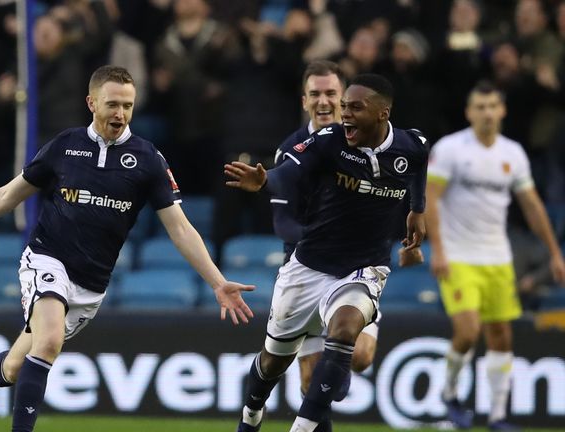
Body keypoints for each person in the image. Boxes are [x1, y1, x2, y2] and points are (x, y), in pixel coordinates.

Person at [0, 65, 254, 432]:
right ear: (91, 103)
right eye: (112, 104)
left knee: (14, 368)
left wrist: (217, 282)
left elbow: (180, 229)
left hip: (90, 284)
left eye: (128, 106)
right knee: (48, 343)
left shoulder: (148, 161)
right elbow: (7, 196)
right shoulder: (64, 146)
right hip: (46, 258)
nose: (120, 114)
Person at [225, 73, 429, 432]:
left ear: (383, 113)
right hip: (309, 266)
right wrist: (265, 180)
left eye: (354, 107)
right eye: (344, 106)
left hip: (364, 268)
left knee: (347, 332)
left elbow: (419, 168)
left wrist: (417, 210)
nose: (344, 114)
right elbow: (289, 174)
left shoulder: (411, 146)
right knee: (274, 362)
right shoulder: (330, 141)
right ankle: (251, 415)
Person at [271, 61, 414, 410]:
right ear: (304, 100)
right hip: (310, 267)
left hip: (361, 267)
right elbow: (283, 220)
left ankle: (333, 370)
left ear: (345, 98)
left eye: (331, 93)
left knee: (361, 355)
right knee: (310, 380)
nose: (324, 101)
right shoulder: (292, 150)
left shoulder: (376, 143)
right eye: (316, 94)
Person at [425, 81, 565, 431]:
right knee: (469, 331)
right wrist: (438, 250)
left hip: (498, 258)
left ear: (502, 110)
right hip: (458, 256)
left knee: (501, 335)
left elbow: (531, 205)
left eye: (492, 106)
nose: (487, 113)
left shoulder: (512, 153)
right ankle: (449, 392)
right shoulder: (451, 149)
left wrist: (554, 253)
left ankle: (498, 416)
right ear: (469, 112)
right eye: (480, 107)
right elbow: (432, 198)